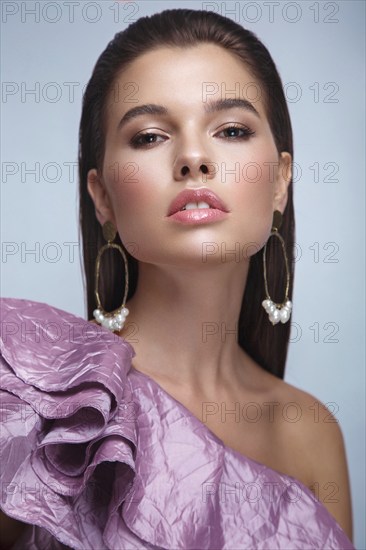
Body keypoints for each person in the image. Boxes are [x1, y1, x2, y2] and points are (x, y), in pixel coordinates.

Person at [0, 8, 354, 550]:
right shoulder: (32, 392)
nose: (193, 158)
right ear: (102, 199)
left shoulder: (311, 431)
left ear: (281, 181)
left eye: (231, 130)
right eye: (149, 137)